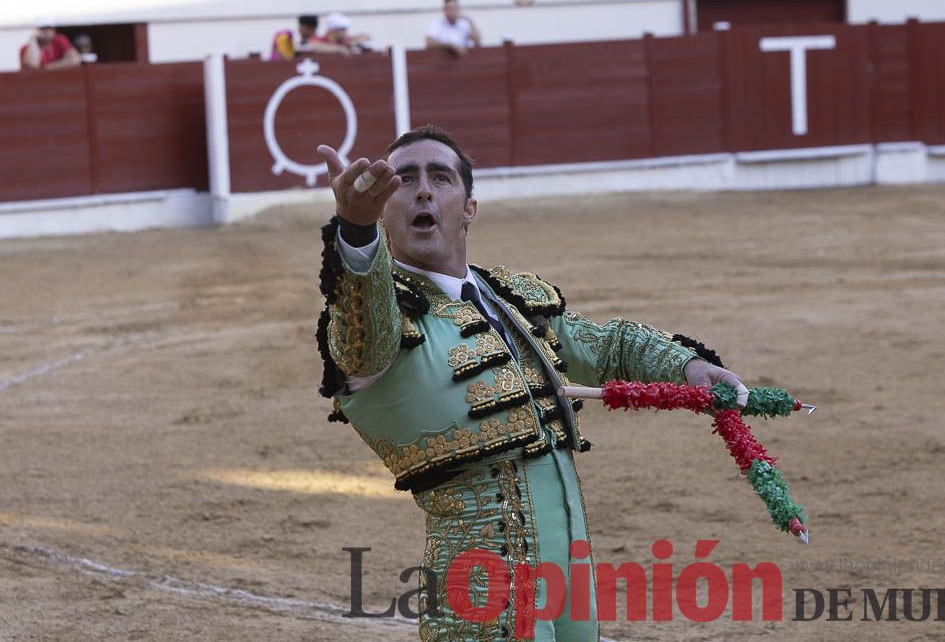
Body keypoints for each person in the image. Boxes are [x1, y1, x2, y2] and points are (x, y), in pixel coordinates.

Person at [314, 125, 750, 641]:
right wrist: (356, 232)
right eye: (404, 179)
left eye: (440, 177)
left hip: (571, 563)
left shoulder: (512, 299)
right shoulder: (376, 318)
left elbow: (606, 344)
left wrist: (691, 368)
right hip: (479, 583)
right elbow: (363, 332)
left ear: (469, 207)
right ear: (386, 209)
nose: (423, 189)